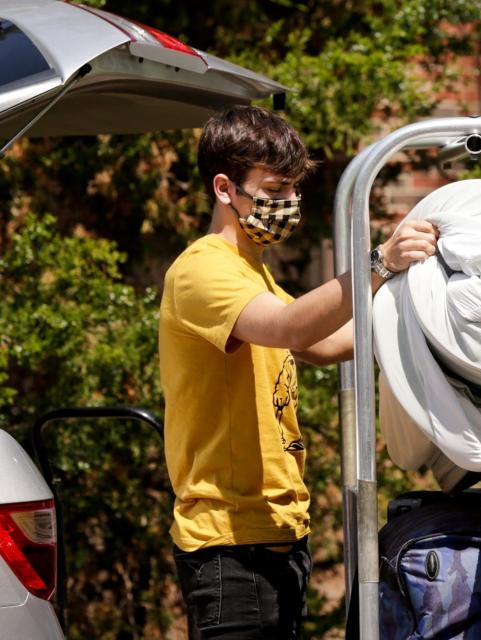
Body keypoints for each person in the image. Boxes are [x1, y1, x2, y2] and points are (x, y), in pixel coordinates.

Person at [158, 105, 437, 639]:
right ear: (224, 188)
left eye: (293, 189)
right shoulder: (202, 271)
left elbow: (326, 341)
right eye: (274, 188)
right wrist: (379, 262)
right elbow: (288, 327)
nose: (287, 203)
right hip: (229, 547)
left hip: (279, 539)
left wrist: (429, 318)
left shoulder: (250, 270)